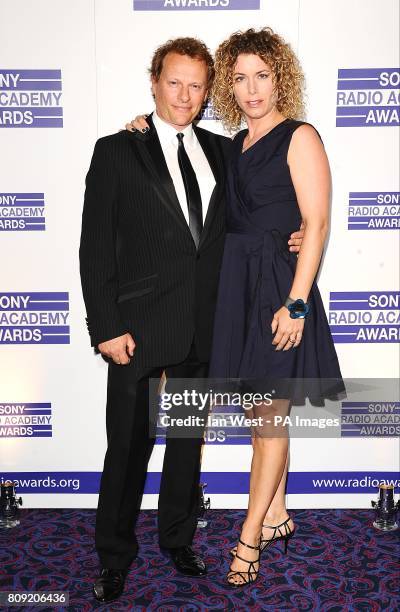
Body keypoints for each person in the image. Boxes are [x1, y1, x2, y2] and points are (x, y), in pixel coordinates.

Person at [80, 37, 304, 602]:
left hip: (205, 325)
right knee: (126, 447)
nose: (184, 94)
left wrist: (292, 238)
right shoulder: (116, 150)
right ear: (154, 83)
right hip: (137, 327)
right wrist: (105, 324)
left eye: (196, 85)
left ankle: (178, 540)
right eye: (174, 82)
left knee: (185, 443)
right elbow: (95, 247)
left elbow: (260, 211)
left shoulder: (225, 151)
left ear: (208, 93)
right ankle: (114, 555)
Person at [205, 27, 345, 587]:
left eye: (261, 75)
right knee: (259, 415)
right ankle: (278, 512)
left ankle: (247, 540)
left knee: (268, 420)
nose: (251, 88)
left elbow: (316, 224)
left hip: (279, 292)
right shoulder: (233, 144)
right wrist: (140, 124)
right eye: (239, 77)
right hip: (237, 287)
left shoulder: (300, 136)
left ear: (279, 76)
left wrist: (298, 303)